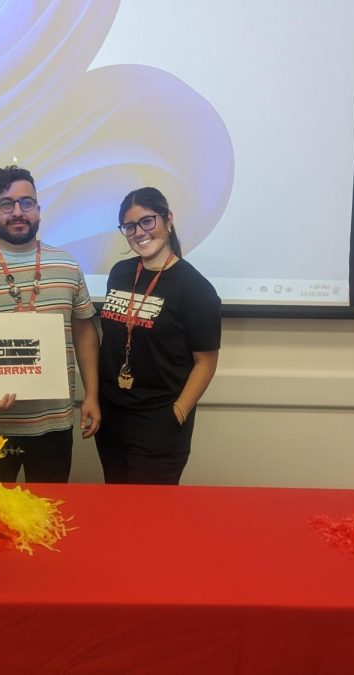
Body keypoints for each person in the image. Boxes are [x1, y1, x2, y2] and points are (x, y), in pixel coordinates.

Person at [0, 165, 100, 483]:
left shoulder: (67, 266)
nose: (18, 212)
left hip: (54, 423)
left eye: (26, 203)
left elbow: (84, 332)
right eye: (6, 204)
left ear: (38, 210)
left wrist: (92, 396)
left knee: (49, 518)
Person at [95, 187, 220, 485]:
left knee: (148, 520)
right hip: (112, 417)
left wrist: (177, 413)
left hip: (158, 422)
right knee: (117, 507)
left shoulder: (195, 289)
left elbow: (205, 362)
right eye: (130, 226)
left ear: (168, 220)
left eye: (147, 221)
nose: (139, 232)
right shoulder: (120, 273)